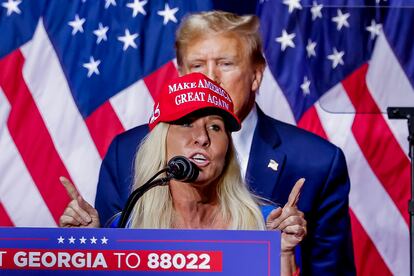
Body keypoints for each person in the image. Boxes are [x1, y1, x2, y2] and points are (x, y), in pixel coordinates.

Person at [95, 11, 355, 275]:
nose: (210, 78)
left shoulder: (317, 161)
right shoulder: (126, 151)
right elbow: (110, 259)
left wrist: (283, 253)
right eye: (197, 65)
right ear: (181, 73)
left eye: (226, 63)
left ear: (256, 74)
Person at [60, 72, 307, 276]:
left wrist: (283, 253)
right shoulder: (125, 227)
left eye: (215, 127)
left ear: (227, 151)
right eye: (187, 123)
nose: (202, 137)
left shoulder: (266, 225)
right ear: (161, 141)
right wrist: (86, 250)